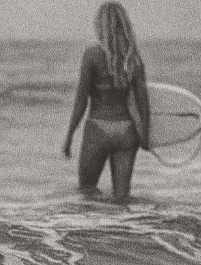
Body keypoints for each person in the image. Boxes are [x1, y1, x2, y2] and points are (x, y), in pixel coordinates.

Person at [63, 2, 150, 203]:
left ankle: (96, 231)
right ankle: (125, 231)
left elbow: (81, 100)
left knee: (87, 192)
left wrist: (69, 135)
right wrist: (144, 135)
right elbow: (143, 103)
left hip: (98, 129)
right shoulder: (133, 57)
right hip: (127, 132)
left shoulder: (92, 53)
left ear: (100, 24)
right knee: (121, 199)